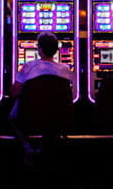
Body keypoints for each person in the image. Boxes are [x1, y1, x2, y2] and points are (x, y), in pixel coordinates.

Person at [9, 32, 72, 160]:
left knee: (12, 116)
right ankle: (48, 148)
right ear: (56, 50)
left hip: (31, 115)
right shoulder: (65, 68)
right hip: (58, 116)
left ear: (40, 49)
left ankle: (27, 147)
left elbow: (14, 92)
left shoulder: (29, 66)